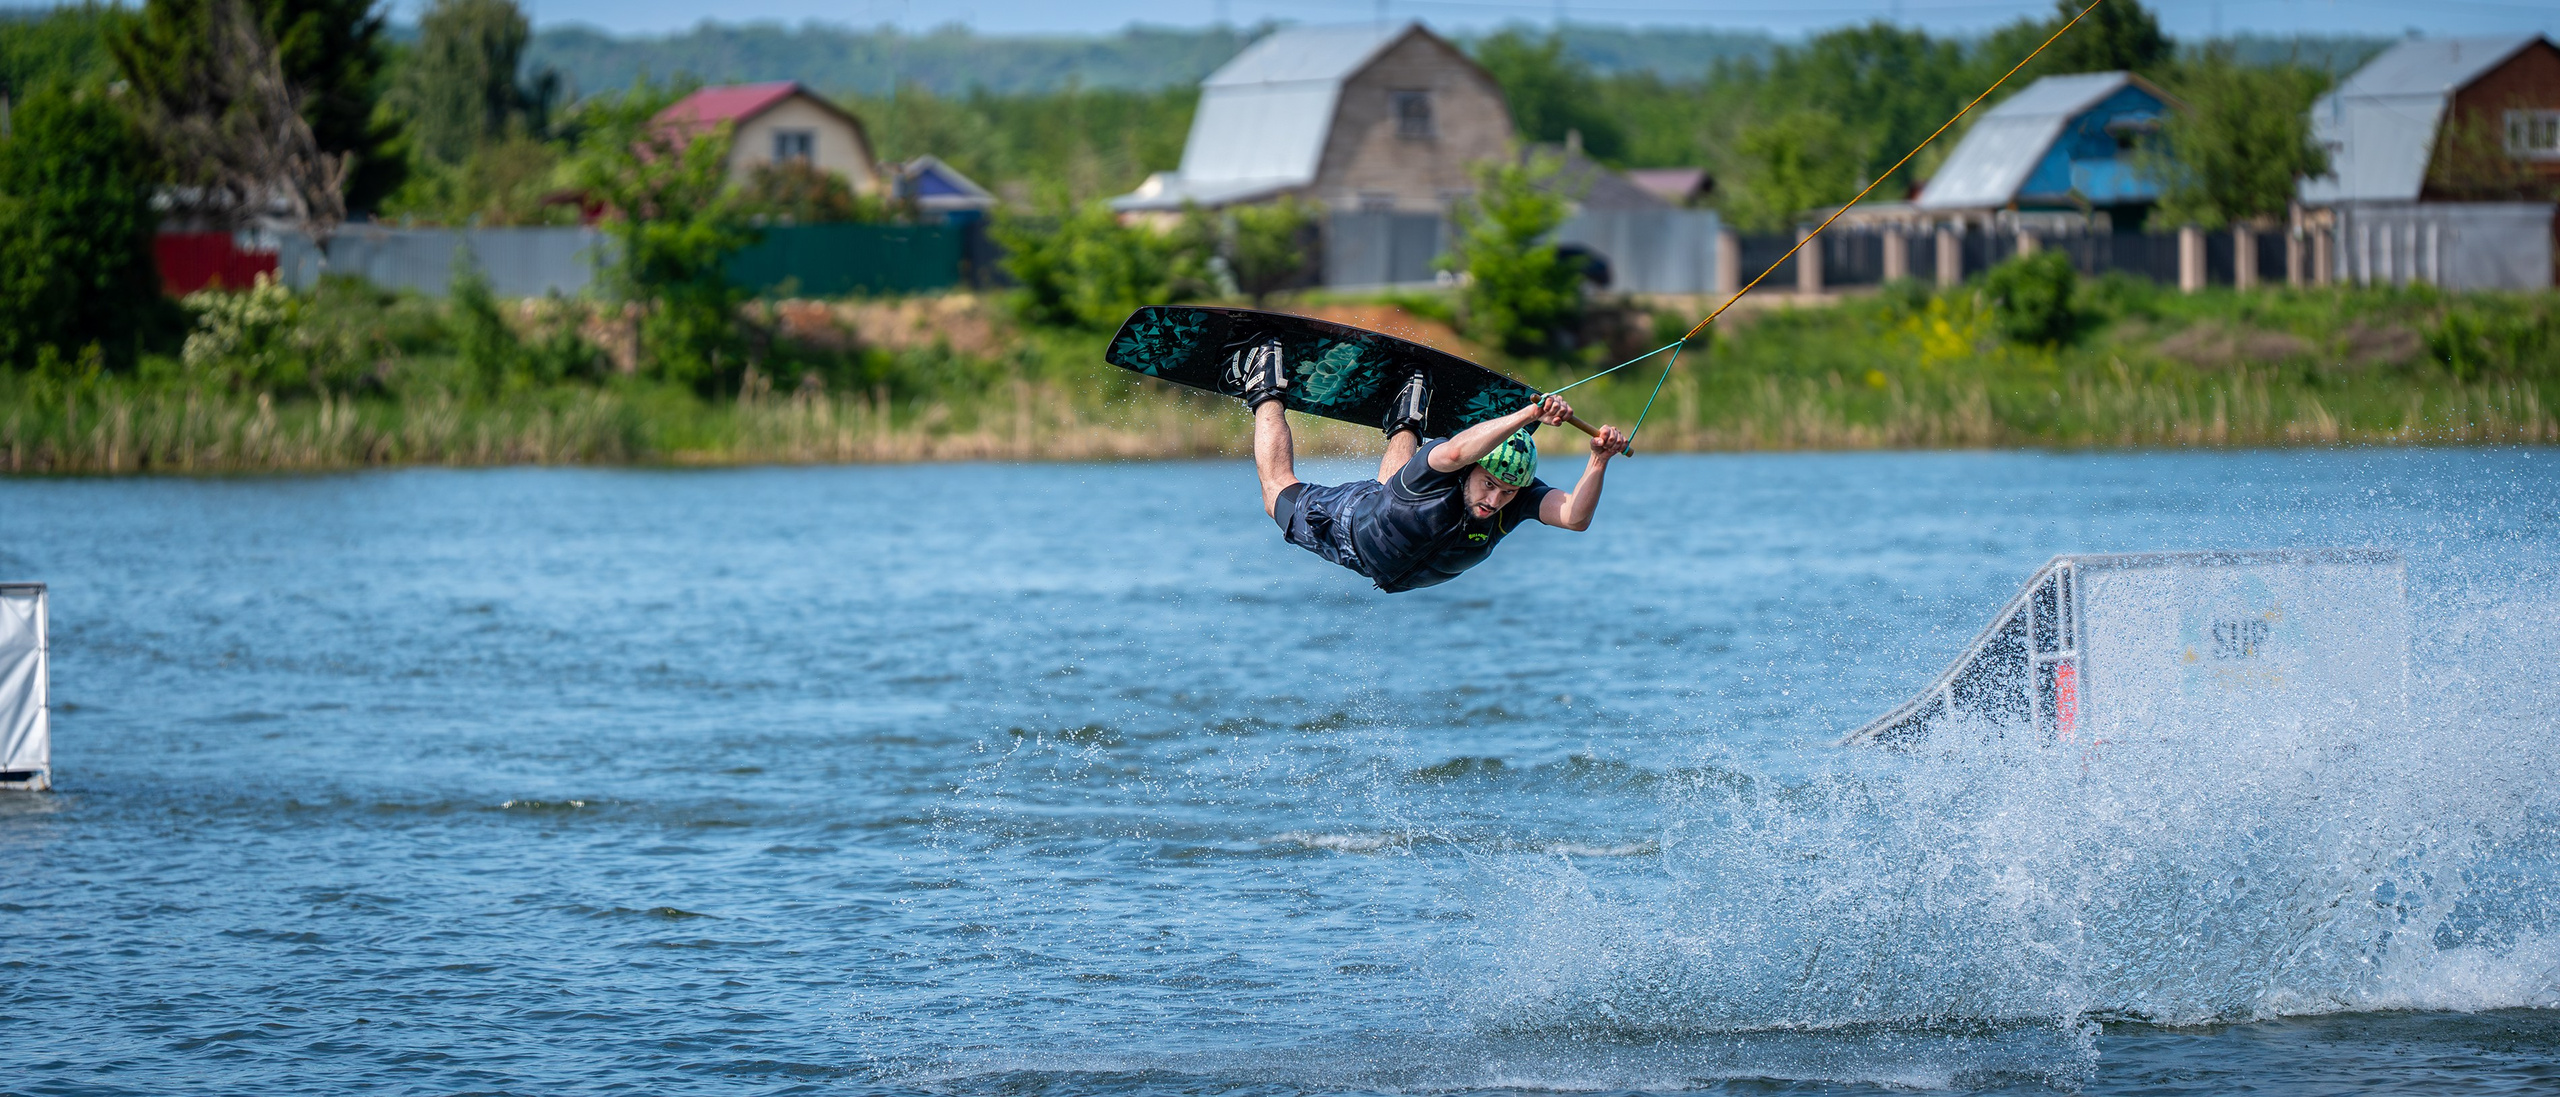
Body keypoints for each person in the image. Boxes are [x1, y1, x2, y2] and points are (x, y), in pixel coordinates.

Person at [1224, 337, 1631, 593]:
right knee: (1276, 490)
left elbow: (1575, 517)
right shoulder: (1445, 464)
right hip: (1351, 530)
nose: (1495, 498)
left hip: (1389, 514)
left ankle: (1410, 403)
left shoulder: (1516, 496)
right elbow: (1456, 452)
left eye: (1507, 491)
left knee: (1394, 489)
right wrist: (1528, 415)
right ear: (1473, 469)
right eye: (1489, 483)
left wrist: (1598, 461)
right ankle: (1265, 379)